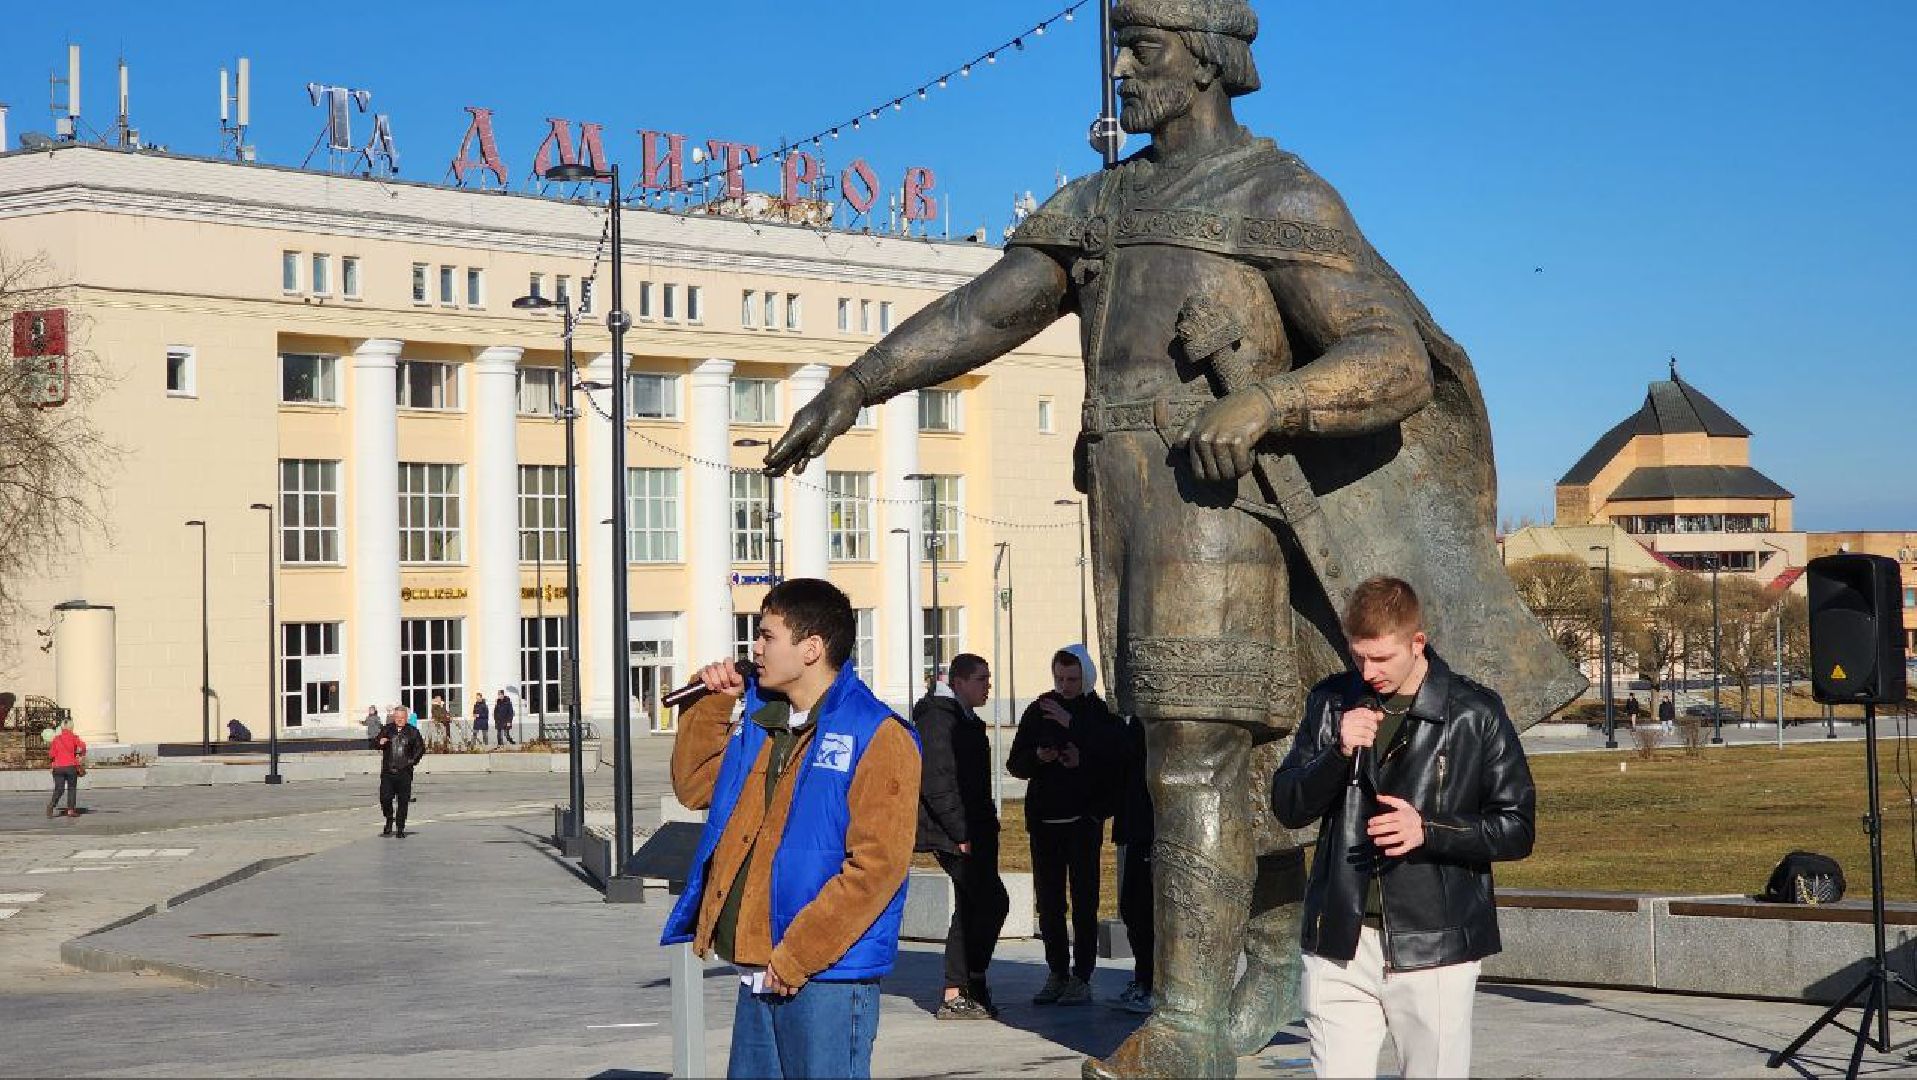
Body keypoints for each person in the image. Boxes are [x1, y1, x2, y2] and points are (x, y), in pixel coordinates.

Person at [762, 2, 1582, 1071]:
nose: (1124, 75)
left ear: (1204, 60)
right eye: (1121, 52)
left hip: (1222, 514)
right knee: (1215, 764)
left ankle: (1191, 1021)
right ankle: (1266, 962)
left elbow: (1392, 357)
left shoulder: (1274, 194)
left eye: (1142, 52)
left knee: (1192, 754)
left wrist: (1268, 404)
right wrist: (858, 382)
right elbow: (990, 309)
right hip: (1132, 518)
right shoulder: (1103, 203)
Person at [1271, 577, 1535, 1079]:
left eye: (1382, 658)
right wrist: (1336, 753)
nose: (1369, 672)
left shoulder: (1474, 713)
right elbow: (1288, 805)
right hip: (1338, 940)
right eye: (1358, 657)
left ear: (1418, 642)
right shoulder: (1330, 702)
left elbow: (1517, 827)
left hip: (1433, 943)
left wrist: (1429, 829)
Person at [661, 578, 921, 1080]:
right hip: (760, 966)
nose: (754, 649)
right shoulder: (763, 722)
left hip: (824, 975)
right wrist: (712, 705)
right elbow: (695, 788)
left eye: (766, 635)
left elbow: (877, 867)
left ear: (811, 648)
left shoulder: (877, 734)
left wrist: (799, 954)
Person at [1007, 645, 1117, 1006]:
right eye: (1060, 679)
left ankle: (1081, 975)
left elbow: (1109, 755)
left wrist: (1076, 751)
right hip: (1044, 820)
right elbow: (1016, 763)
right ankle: (1057, 971)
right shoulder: (1038, 710)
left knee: (1085, 901)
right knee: (1050, 903)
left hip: (1082, 821)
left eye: (1072, 679)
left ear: (1085, 677)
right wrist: (1039, 757)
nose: (1065, 686)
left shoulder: (1096, 711)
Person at [914, 653, 1010, 1020]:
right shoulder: (937, 719)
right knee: (992, 901)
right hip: (954, 833)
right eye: (981, 680)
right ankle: (963, 984)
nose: (988, 686)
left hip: (977, 829)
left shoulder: (965, 719)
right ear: (959, 682)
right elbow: (937, 780)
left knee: (972, 906)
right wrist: (960, 831)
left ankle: (964, 986)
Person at [1109, 710, 1156, 1015]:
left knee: (1144, 908)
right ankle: (1144, 978)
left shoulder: (1148, 722)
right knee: (1133, 906)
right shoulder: (1133, 720)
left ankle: (1151, 982)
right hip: (1135, 824)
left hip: (1150, 825)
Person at [372, 705, 425, 837]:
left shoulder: (413, 732)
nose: (399, 720)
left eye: (402, 718)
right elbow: (376, 743)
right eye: (397, 717)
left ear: (406, 718)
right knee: (385, 798)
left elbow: (420, 748)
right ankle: (389, 818)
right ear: (393, 717)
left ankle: (400, 828)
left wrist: (411, 761)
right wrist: (380, 742)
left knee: (403, 801)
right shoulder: (387, 729)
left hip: (404, 773)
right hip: (388, 772)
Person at [46, 719, 86, 819]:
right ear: (71, 727)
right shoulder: (74, 737)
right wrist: (80, 755)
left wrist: (52, 764)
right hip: (70, 767)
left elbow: (51, 754)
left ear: (62, 727)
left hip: (58, 767)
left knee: (59, 789)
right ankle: (71, 811)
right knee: (72, 788)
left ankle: (51, 805)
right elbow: (83, 746)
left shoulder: (56, 739)